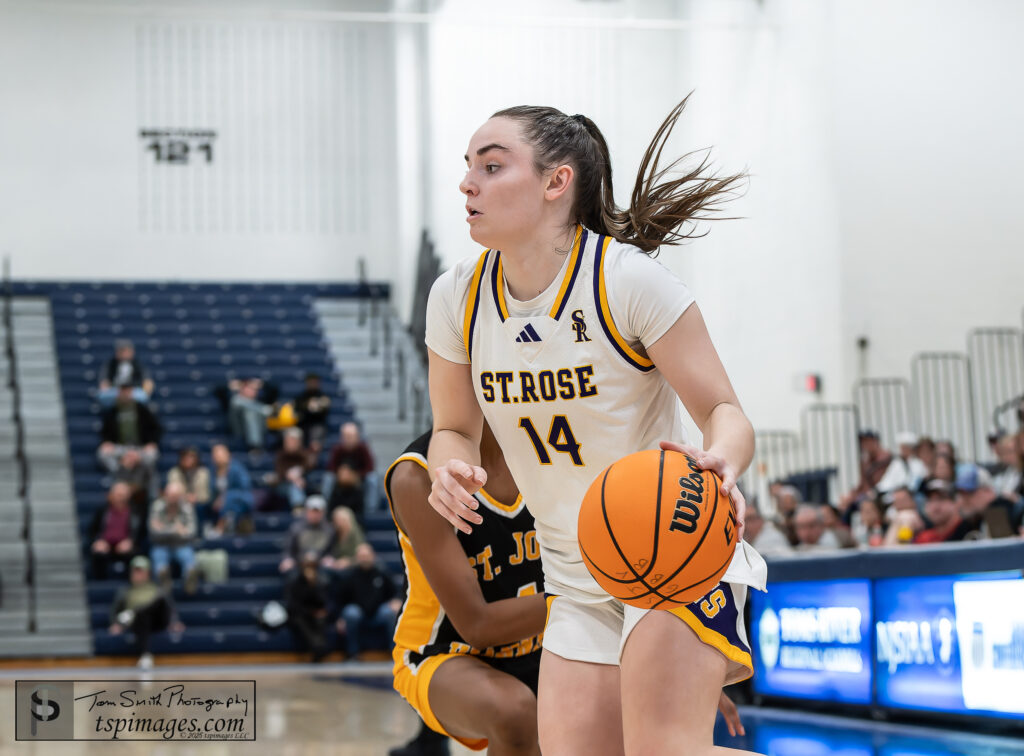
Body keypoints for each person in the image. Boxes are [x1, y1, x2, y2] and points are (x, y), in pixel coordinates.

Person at [424, 99, 764, 754]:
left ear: (557, 182)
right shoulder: (456, 297)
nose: (469, 183)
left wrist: (721, 458)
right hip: (578, 581)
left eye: (492, 167)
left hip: (676, 550)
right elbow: (454, 429)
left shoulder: (627, 282)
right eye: (468, 167)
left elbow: (727, 412)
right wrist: (448, 464)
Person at [108, 555, 184, 669]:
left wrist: (174, 621)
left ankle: (135, 612)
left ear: (147, 573)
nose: (137, 574)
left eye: (140, 571)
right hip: (139, 622)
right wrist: (115, 623)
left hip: (157, 619)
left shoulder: (156, 588)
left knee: (160, 600)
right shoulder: (125, 591)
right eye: (135, 571)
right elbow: (115, 610)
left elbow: (169, 607)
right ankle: (145, 655)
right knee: (141, 614)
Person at [96, 381, 161, 482]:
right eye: (123, 391)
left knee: (152, 454)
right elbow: (105, 431)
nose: (125, 394)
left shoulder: (142, 409)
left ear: (131, 392)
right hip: (120, 448)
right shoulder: (113, 411)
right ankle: (120, 472)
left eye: (128, 391)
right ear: (119, 393)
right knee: (103, 453)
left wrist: (151, 443)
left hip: (140, 448)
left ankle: (137, 473)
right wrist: (107, 442)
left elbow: (156, 428)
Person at [148, 481, 200, 594]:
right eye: (170, 495)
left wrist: (164, 529)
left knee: (188, 557)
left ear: (181, 496)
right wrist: (177, 530)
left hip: (181, 545)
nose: (172, 499)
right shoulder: (157, 506)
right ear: (165, 494)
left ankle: (190, 579)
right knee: (158, 557)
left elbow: (191, 532)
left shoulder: (187, 507)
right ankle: (163, 579)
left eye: (176, 496)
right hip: (161, 545)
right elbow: (153, 532)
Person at [87, 482, 143, 579]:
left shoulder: (136, 512)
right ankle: (101, 584)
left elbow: (141, 533)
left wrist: (131, 542)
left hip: (125, 545)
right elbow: (92, 531)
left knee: (132, 554)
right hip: (105, 545)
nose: (120, 498)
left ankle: (129, 583)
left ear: (128, 496)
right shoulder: (102, 511)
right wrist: (97, 541)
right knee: (98, 554)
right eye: (118, 495)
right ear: (112, 495)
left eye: (123, 495)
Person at [284, 551, 331, 662]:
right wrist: (309, 612)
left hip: (316, 611)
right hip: (299, 613)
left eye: (312, 564)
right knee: (301, 620)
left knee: (321, 618)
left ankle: (319, 648)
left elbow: (324, 601)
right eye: (307, 564)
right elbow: (292, 604)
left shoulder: (323, 579)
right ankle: (318, 647)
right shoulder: (293, 579)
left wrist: (313, 585)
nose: (309, 567)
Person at [327, 422, 378, 513]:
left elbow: (370, 467)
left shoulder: (363, 449)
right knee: (328, 478)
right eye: (346, 436)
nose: (348, 439)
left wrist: (355, 475)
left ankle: (371, 510)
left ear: (357, 437)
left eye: (351, 436)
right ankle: (326, 507)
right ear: (341, 437)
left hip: (358, 478)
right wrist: (341, 474)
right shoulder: (337, 449)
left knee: (373, 479)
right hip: (341, 479)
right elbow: (331, 467)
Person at [279, 496, 336, 575]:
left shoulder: (329, 530)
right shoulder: (296, 528)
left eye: (318, 512)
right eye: (312, 511)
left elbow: (331, 550)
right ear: (306, 512)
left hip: (320, 564)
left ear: (323, 513)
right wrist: (288, 559)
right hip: (299, 564)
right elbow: (288, 549)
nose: (315, 515)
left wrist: (329, 558)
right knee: (290, 572)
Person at [209, 443, 254, 535]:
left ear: (228, 454)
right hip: (221, 503)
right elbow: (212, 491)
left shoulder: (236, 468)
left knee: (230, 500)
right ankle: (228, 525)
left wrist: (224, 497)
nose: (218, 457)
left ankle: (220, 526)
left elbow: (245, 487)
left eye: (220, 454)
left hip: (241, 498)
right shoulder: (213, 471)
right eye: (215, 454)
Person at [913, 478, 976, 544]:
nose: (935, 506)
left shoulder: (971, 532)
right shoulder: (925, 538)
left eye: (941, 499)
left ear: (956, 503)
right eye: (930, 500)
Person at [97, 339, 154, 406]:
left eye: (126, 351)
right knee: (103, 395)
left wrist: (129, 392)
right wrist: (120, 393)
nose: (124, 354)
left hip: (133, 391)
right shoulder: (110, 364)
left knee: (142, 396)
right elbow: (104, 384)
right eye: (121, 351)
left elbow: (148, 383)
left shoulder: (138, 365)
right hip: (115, 391)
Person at [274, 427, 317, 510]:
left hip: (302, 484)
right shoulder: (280, 455)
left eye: (293, 440)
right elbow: (280, 471)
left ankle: (299, 508)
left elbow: (308, 466)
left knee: (297, 485)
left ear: (299, 442)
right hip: (283, 485)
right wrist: (291, 477)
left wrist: (298, 473)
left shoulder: (304, 454)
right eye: (288, 440)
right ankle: (298, 507)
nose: (290, 443)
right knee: (294, 486)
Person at [228, 378, 272, 450]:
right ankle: (255, 446)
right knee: (250, 414)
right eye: (249, 388)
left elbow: (274, 390)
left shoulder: (259, 401)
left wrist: (262, 384)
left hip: (262, 432)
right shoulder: (235, 400)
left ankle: (256, 446)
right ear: (242, 389)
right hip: (239, 433)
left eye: (254, 389)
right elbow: (218, 390)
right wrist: (235, 384)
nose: (253, 391)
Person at [294, 373, 332, 452]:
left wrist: (317, 407)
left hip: (318, 425)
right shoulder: (301, 396)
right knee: (295, 433)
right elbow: (297, 410)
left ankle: (314, 455)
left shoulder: (322, 396)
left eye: (314, 382)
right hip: (303, 425)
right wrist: (309, 407)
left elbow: (325, 412)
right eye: (310, 382)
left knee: (317, 433)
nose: (312, 384)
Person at [323, 506, 365, 571]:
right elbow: (328, 551)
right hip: (335, 566)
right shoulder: (334, 534)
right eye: (337, 520)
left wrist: (349, 562)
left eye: (341, 520)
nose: (339, 523)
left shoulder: (355, 534)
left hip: (352, 568)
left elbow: (361, 556)